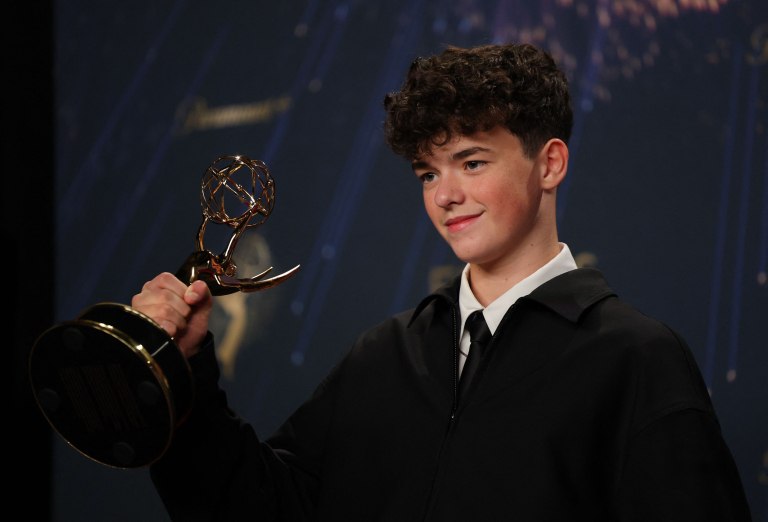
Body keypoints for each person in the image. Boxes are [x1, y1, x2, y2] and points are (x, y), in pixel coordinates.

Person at [132, 43, 752, 521]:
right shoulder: (385, 355)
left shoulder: (635, 359)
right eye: (428, 173)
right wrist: (185, 379)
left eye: (471, 163)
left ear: (550, 164)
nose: (445, 196)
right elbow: (264, 508)